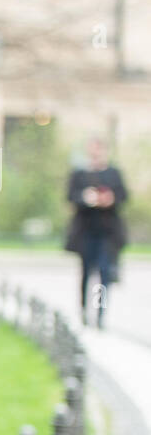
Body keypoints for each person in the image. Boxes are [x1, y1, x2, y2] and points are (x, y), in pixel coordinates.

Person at [65, 135, 128, 328]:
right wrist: (86, 198)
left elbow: (123, 196)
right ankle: (84, 309)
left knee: (103, 273)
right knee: (85, 272)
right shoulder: (80, 174)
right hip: (86, 231)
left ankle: (100, 313)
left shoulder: (113, 173)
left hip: (107, 232)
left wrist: (109, 199)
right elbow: (70, 196)